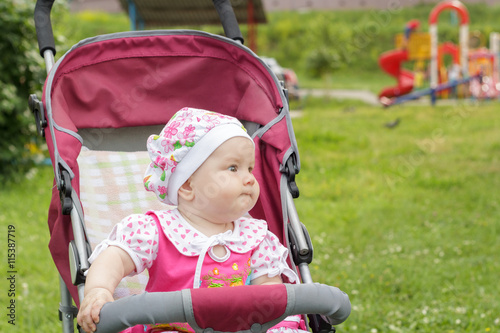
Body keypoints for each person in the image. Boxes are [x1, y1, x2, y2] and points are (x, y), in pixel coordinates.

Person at [77, 107, 303, 333]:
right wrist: (99, 289)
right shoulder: (157, 231)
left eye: (250, 168)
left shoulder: (256, 238)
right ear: (186, 185)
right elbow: (115, 258)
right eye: (233, 168)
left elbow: (269, 293)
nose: (249, 179)